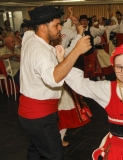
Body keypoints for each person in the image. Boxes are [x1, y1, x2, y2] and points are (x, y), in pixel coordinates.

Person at [18, 5, 91, 160]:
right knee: (55, 156)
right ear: (43, 27)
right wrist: (77, 50)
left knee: (36, 151)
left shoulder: (30, 36)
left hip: (30, 113)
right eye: (56, 25)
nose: (60, 28)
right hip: (40, 116)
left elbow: (30, 34)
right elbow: (54, 78)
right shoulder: (40, 52)